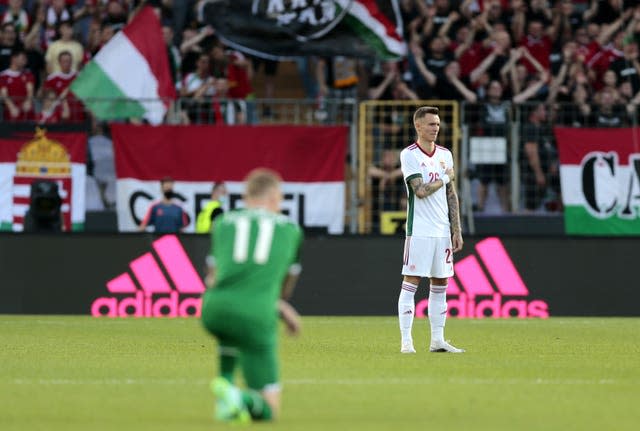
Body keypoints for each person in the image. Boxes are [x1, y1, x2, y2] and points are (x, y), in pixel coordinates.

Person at [201, 168, 303, 424]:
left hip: (214, 308)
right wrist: (280, 306)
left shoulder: (223, 222)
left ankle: (225, 392)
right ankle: (239, 397)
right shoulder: (290, 229)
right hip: (255, 312)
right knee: (269, 410)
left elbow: (211, 277)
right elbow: (284, 287)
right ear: (272, 196)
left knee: (229, 337)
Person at [397, 106, 464, 354]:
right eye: (431, 124)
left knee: (441, 283)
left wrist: (456, 229)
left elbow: (451, 194)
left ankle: (438, 340)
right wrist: (446, 178)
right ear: (418, 126)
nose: (436, 128)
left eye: (437, 124)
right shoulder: (410, 155)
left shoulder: (445, 154)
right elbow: (420, 190)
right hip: (420, 230)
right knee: (411, 282)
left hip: (442, 230)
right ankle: (406, 341)